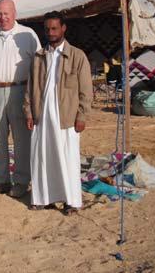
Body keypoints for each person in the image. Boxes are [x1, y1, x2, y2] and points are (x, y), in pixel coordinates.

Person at [24, 11, 92, 214]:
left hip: (67, 118)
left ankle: (71, 201)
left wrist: (82, 116)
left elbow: (86, 91)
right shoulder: (38, 57)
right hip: (42, 115)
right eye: (47, 29)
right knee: (42, 157)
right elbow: (30, 88)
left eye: (54, 28)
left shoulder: (77, 56)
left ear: (63, 28)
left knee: (68, 159)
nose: (51, 33)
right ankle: (43, 198)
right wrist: (28, 112)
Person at [0, 0, 41, 198]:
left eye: (6, 13)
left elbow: (39, 66)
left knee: (21, 139)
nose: (2, 17)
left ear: (15, 13)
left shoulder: (27, 35)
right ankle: (1, 180)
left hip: (20, 91)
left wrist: (34, 96)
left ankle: (22, 182)